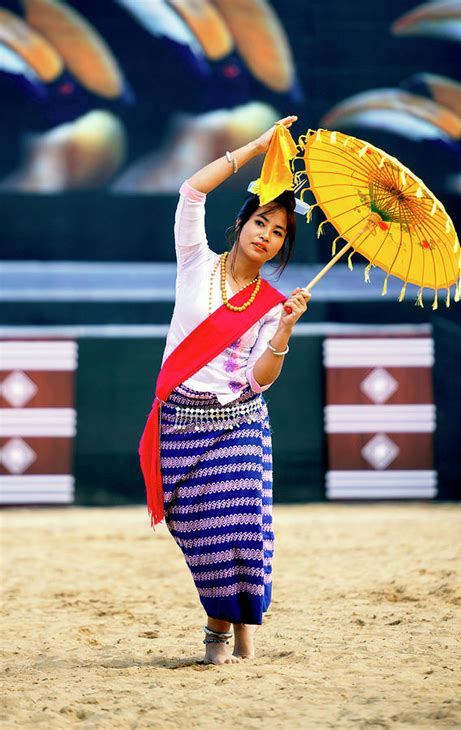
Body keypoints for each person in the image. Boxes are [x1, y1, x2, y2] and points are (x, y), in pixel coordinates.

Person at [141, 115, 310, 665]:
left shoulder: (270, 304)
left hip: (239, 421)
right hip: (180, 425)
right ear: (241, 224)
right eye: (262, 222)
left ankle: (233, 637)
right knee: (201, 535)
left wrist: (282, 329)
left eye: (280, 232)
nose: (268, 235)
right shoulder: (195, 262)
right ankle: (227, 626)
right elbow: (192, 190)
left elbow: (260, 377)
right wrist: (259, 146)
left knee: (241, 527)